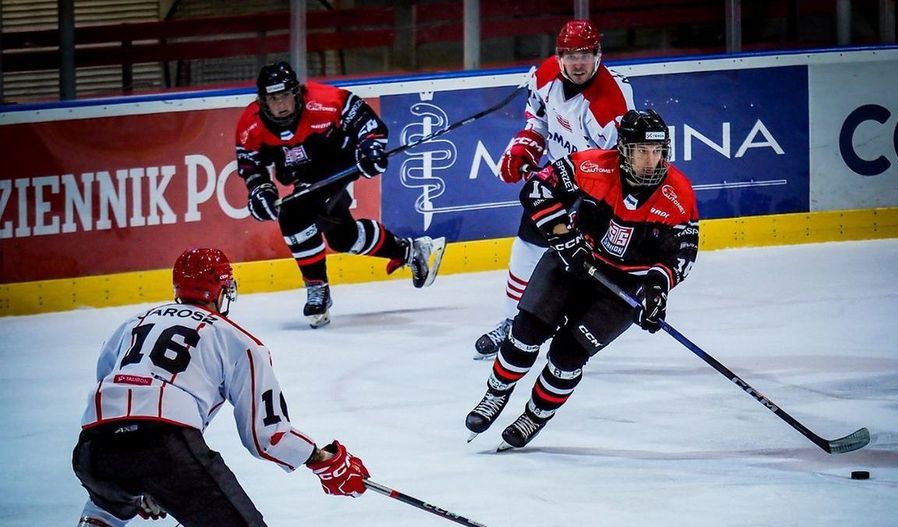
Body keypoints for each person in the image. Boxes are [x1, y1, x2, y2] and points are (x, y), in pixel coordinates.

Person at [73, 248, 370, 526]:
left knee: (106, 508)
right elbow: (266, 436)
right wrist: (321, 459)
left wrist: (145, 479)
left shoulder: (133, 324)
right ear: (221, 290)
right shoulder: (238, 341)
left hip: (94, 448)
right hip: (165, 447)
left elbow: (109, 384)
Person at [465, 109, 699, 450]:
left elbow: (683, 254)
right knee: (526, 331)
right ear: (623, 150)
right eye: (642, 151)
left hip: (622, 287)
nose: (652, 160)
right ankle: (495, 395)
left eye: (658, 151)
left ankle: (535, 415)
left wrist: (656, 291)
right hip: (573, 262)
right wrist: (564, 237)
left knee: (568, 355)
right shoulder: (592, 166)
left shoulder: (679, 194)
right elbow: (535, 190)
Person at [236, 61, 446, 328]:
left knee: (292, 215)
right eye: (273, 98)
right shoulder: (250, 125)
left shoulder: (326, 100)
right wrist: (259, 190)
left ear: (297, 93)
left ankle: (317, 289)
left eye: (286, 95)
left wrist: (371, 150)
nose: (281, 104)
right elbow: (250, 166)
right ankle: (410, 251)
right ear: (263, 102)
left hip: (337, 162)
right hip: (303, 174)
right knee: (342, 237)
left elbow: (370, 124)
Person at [474, 19, 634, 358]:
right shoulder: (547, 74)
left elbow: (622, 168)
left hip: (598, 186)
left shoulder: (610, 104)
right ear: (559, 56)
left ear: (598, 55)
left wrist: (594, 209)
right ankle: (510, 322)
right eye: (570, 55)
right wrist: (528, 143)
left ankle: (571, 326)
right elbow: (537, 117)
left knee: (576, 260)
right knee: (528, 239)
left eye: (586, 55)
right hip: (562, 174)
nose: (578, 63)